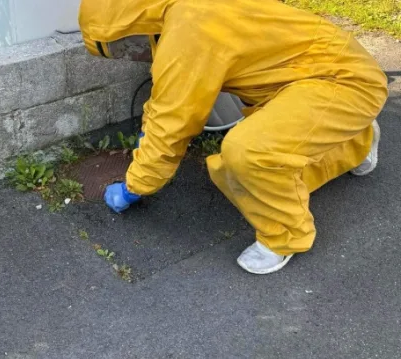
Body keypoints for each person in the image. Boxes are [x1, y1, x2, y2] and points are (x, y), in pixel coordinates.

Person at [78, 0, 389, 274]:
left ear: (131, 23)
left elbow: (171, 121)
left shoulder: (189, 30)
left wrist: (137, 185)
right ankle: (355, 141)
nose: (132, 53)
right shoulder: (188, 10)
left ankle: (285, 236)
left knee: (249, 154)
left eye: (122, 46)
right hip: (321, 74)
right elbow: (165, 104)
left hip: (342, 84)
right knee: (243, 167)